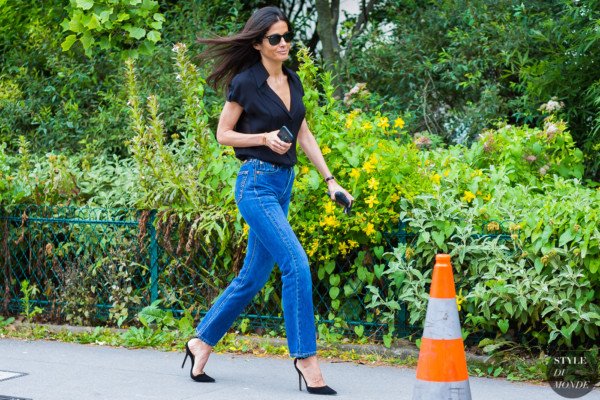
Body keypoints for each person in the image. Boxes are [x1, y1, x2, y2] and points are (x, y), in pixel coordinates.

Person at [181, 6, 353, 396]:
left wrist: (331, 181)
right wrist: (261, 138)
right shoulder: (245, 83)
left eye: (287, 36)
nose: (284, 43)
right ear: (258, 43)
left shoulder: (293, 80)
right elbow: (223, 134)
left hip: (283, 185)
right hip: (255, 184)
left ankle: (200, 343)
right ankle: (305, 359)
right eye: (275, 38)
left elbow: (303, 133)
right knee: (296, 264)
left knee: (253, 277)